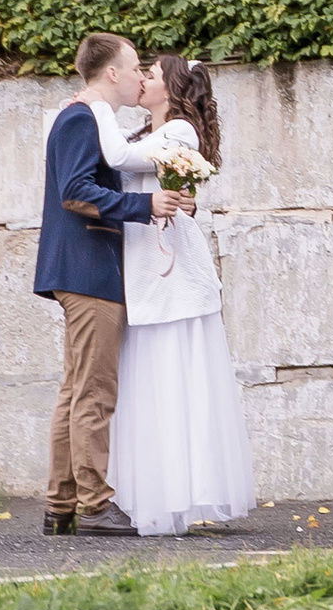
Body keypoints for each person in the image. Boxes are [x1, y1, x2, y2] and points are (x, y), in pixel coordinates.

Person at [101, 53, 258, 539]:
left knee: (171, 375)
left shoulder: (181, 133)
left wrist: (95, 107)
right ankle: (150, 495)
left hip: (168, 267)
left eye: (149, 73)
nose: (141, 79)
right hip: (143, 263)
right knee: (146, 381)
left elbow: (121, 161)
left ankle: (173, 499)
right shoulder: (143, 135)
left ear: (169, 88)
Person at [33, 32, 181, 539]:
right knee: (95, 392)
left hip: (82, 267)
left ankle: (62, 504)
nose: (142, 76)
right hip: (88, 266)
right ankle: (95, 504)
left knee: (76, 388)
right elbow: (75, 192)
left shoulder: (84, 118)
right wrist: (145, 207)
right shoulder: (79, 118)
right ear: (111, 73)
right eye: (136, 67)